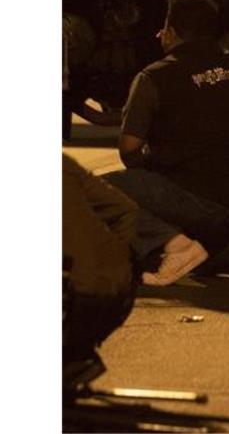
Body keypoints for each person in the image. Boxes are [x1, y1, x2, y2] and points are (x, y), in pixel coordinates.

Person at [105, 0, 229, 286]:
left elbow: (129, 150)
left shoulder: (155, 76)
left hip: (194, 198)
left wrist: (153, 175)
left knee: (102, 191)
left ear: (171, 31)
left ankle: (174, 245)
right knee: (191, 249)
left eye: (164, 26)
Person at [63, 153, 138, 381]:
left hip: (74, 299)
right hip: (118, 296)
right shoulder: (61, 164)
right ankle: (74, 356)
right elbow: (127, 210)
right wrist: (114, 262)